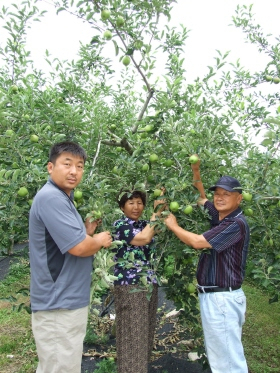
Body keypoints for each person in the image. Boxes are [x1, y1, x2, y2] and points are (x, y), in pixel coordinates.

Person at [29, 141, 112, 373]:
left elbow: (65, 245)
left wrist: (86, 232)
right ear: (50, 167)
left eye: (79, 166)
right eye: (67, 164)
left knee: (56, 365)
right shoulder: (51, 198)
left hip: (65, 300)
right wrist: (100, 241)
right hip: (59, 304)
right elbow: (78, 248)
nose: (74, 171)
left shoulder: (63, 198)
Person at [164, 159, 250, 373]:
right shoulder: (221, 217)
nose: (219, 198)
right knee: (222, 357)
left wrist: (173, 226)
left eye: (226, 194)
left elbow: (197, 242)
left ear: (239, 198)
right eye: (217, 194)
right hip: (216, 297)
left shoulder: (234, 223)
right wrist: (195, 169)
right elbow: (200, 197)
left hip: (223, 299)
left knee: (228, 363)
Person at [113, 189, 164, 373]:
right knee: (132, 336)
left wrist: (162, 202)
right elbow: (143, 239)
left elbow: (161, 226)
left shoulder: (144, 224)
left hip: (148, 285)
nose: (136, 207)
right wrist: (156, 214)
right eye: (131, 202)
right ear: (122, 206)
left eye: (140, 202)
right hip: (130, 286)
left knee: (144, 334)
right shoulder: (120, 225)